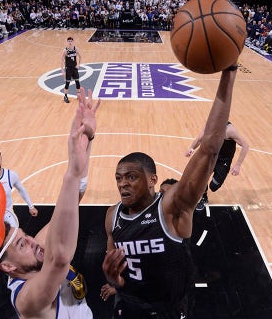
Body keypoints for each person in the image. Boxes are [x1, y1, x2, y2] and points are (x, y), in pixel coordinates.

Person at [102, 64, 238, 318]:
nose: (123, 184)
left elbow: (209, 149)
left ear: (153, 179)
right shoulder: (112, 215)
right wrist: (114, 282)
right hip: (130, 305)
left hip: (169, 309)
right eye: (119, 178)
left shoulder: (170, 208)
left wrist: (228, 76)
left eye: (132, 177)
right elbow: (113, 261)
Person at [0, 87, 99, 319]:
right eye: (21, 245)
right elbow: (60, 259)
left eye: (25, 236)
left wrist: (86, 139)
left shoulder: (37, 252)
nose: (33, 241)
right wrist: (71, 174)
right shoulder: (27, 300)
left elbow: (76, 196)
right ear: (9, 267)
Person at [185, 121, 249, 211]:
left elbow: (245, 145)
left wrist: (238, 165)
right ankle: (204, 197)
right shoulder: (210, 124)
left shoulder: (230, 130)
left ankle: (212, 185)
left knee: (213, 187)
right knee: (201, 178)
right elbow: (199, 139)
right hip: (211, 157)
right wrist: (191, 148)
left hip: (224, 161)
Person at [61, 36, 81, 103]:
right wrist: (62, 70)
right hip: (68, 68)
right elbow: (61, 60)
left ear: (73, 41)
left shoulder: (76, 49)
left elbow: (80, 57)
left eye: (71, 41)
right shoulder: (65, 50)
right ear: (67, 42)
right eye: (69, 41)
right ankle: (65, 96)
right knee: (67, 83)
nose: (70, 42)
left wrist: (78, 64)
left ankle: (79, 95)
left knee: (77, 82)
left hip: (74, 68)